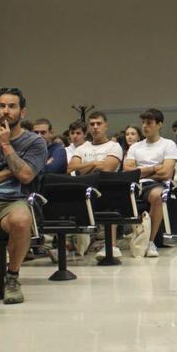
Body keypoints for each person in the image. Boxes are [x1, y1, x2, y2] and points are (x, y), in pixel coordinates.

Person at [0, 88, 46, 305]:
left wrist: (5, 144)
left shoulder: (35, 143)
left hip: (16, 200)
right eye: (2, 106)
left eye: (12, 106)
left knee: (21, 221)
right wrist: (6, 172)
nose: (6, 111)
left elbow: (24, 176)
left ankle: (12, 278)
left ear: (22, 112)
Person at [67, 111, 124, 259]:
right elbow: (70, 168)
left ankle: (111, 245)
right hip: (84, 189)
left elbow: (106, 169)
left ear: (106, 126)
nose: (95, 127)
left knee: (109, 197)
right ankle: (69, 245)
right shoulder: (82, 148)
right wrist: (94, 163)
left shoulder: (114, 146)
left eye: (99, 123)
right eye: (92, 124)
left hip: (106, 189)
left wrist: (84, 168)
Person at [123, 108, 177, 258]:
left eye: (149, 123)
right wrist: (153, 168)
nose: (145, 126)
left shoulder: (168, 145)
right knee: (116, 192)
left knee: (158, 196)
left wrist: (139, 171)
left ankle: (150, 242)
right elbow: (127, 170)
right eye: (143, 123)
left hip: (155, 185)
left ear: (159, 125)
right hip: (135, 184)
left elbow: (166, 173)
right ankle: (111, 245)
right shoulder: (135, 147)